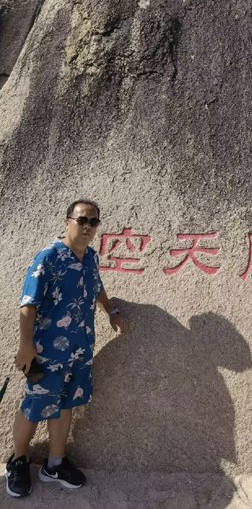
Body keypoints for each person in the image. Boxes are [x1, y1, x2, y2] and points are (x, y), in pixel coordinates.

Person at [4, 200, 128, 499]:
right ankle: (18, 461)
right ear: (67, 221)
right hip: (45, 352)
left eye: (93, 222)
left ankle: (54, 464)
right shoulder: (48, 257)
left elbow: (97, 287)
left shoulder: (90, 257)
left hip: (80, 349)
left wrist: (111, 311)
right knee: (34, 406)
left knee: (66, 404)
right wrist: (25, 347)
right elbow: (28, 305)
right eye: (82, 220)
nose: (87, 227)